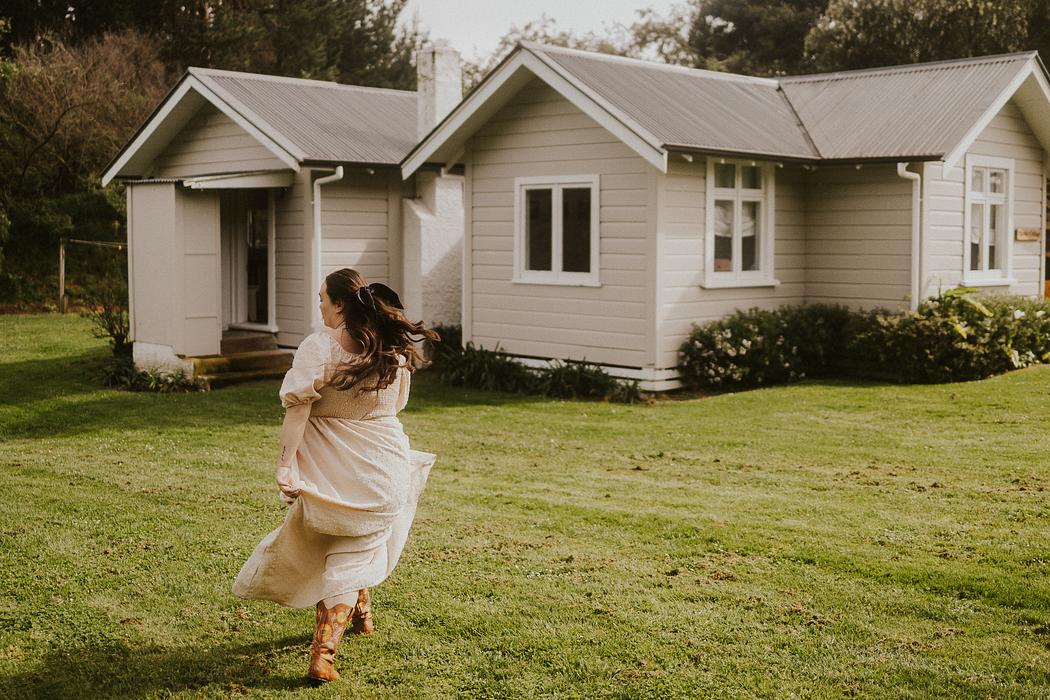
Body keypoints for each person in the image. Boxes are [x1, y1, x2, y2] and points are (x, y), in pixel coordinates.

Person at [232, 268, 439, 685]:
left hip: (333, 466)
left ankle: (324, 654)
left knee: (345, 547)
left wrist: (285, 464)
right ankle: (360, 612)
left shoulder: (319, 347)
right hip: (383, 464)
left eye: (322, 297)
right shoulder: (393, 352)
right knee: (357, 543)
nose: (320, 305)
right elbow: (396, 407)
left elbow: (297, 409)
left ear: (340, 303)